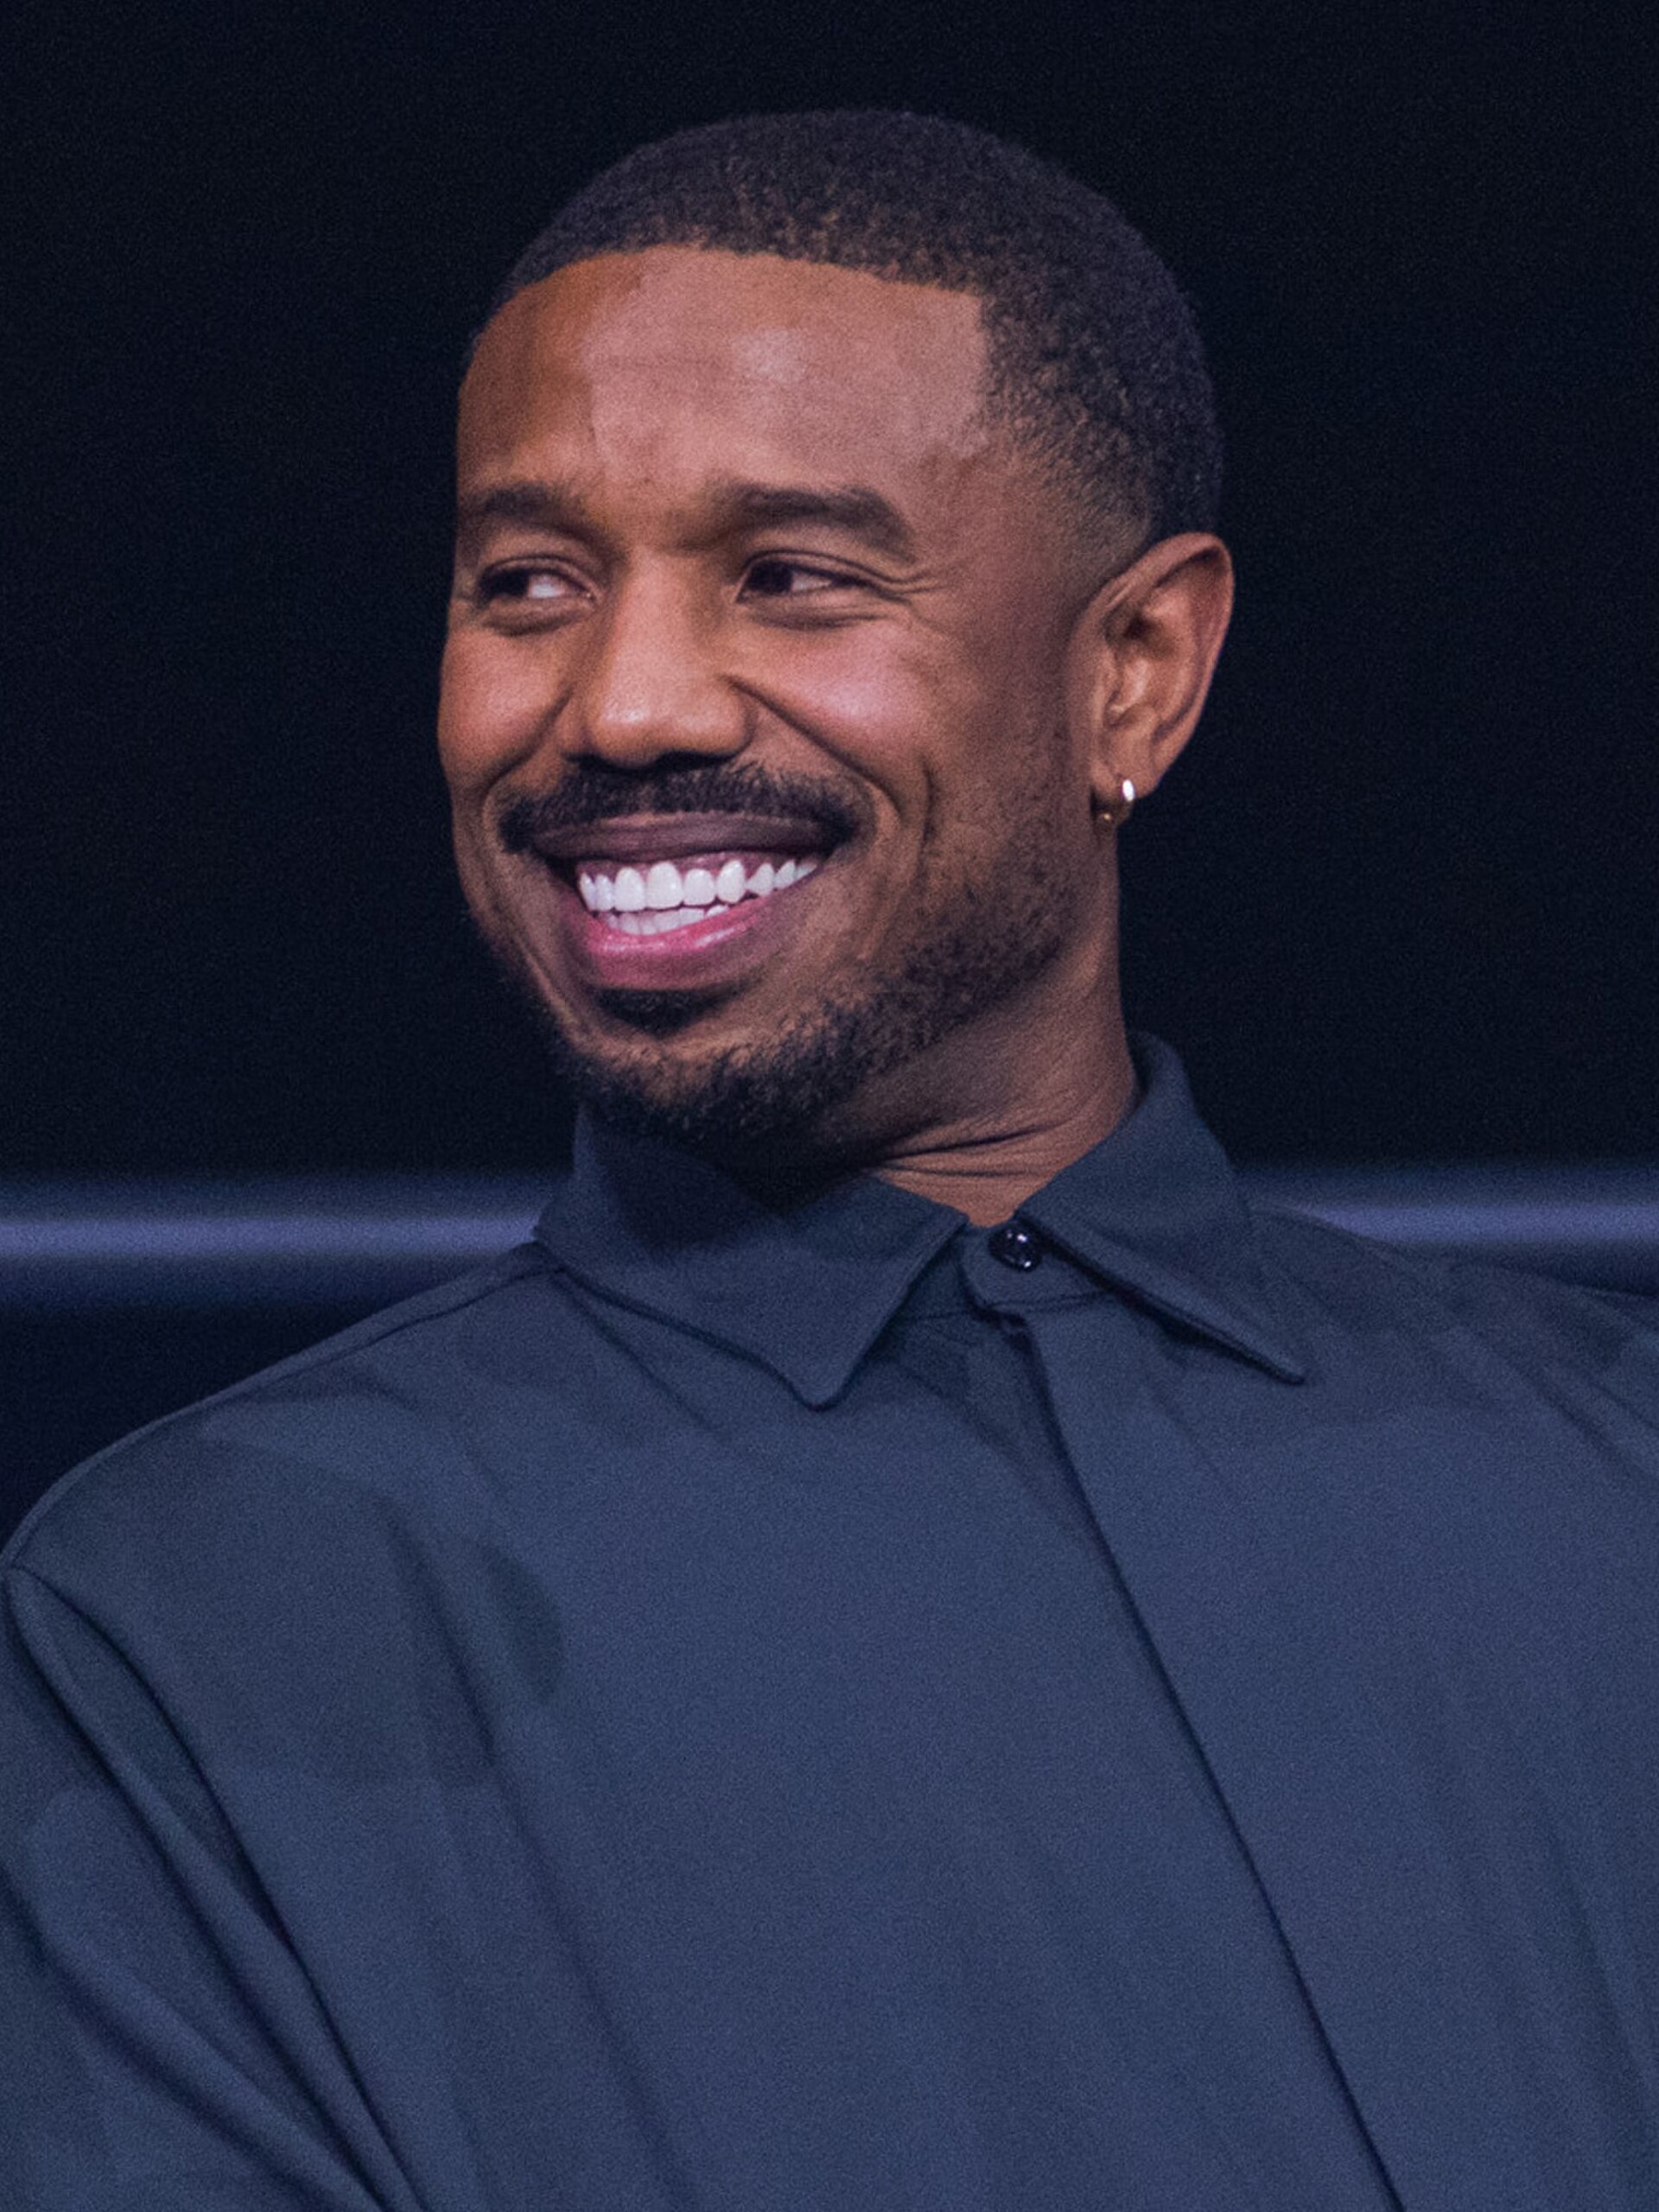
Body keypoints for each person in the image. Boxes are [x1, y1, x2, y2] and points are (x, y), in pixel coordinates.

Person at [3, 109, 1656, 2211]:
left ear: (1132, 669)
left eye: (789, 576)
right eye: (528, 584)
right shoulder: (192, 1617)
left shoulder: (1616, 1491)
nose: (623, 702)